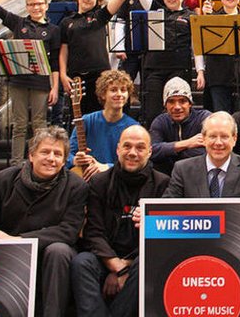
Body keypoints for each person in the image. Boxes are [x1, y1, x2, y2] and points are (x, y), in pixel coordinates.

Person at [0, 127, 88, 317]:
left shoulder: (76, 186)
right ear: (31, 155)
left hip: (49, 254)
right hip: (8, 255)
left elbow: (67, 231)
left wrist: (17, 240)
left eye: (58, 154)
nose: (51, 158)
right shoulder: (4, 179)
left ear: (64, 161)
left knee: (59, 250)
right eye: (45, 152)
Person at [71, 125, 169, 317]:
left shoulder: (163, 184)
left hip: (139, 258)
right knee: (81, 262)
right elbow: (94, 231)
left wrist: (127, 267)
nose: (132, 153)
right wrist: (116, 266)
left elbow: (159, 235)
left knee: (146, 263)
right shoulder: (99, 183)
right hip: (105, 258)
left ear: (149, 152)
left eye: (140, 148)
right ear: (118, 149)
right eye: (127, 146)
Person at [0, 0, 60, 165]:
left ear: (46, 6)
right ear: (27, 7)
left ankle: (39, 161)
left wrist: (55, 87)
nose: (36, 7)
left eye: (39, 4)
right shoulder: (19, 23)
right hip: (18, 80)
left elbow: (55, 62)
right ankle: (17, 164)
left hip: (41, 82)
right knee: (18, 124)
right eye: (32, 4)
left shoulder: (53, 30)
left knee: (39, 124)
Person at [156, 112, 240, 230]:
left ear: (234, 139)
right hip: (193, 244)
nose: (218, 142)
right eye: (212, 136)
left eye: (224, 137)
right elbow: (166, 208)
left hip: (235, 241)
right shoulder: (182, 169)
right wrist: (147, 216)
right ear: (203, 138)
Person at [59, 0, 132, 115]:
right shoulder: (66, 22)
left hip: (100, 75)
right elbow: (63, 50)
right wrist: (63, 74)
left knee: (101, 116)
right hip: (76, 77)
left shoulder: (99, 16)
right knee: (80, 118)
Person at [67, 69, 139, 181]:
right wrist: (74, 160)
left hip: (116, 180)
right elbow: (68, 154)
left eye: (123, 90)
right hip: (87, 180)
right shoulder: (87, 120)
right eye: (113, 90)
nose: (119, 94)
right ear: (103, 94)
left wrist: (107, 167)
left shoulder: (133, 127)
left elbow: (136, 161)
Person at [149, 77, 211, 175]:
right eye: (171, 101)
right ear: (165, 105)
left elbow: (208, 151)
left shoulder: (204, 118)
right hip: (167, 177)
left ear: (190, 104)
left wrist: (170, 153)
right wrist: (187, 144)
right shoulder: (160, 121)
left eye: (182, 101)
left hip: (198, 175)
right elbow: (152, 151)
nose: (177, 107)